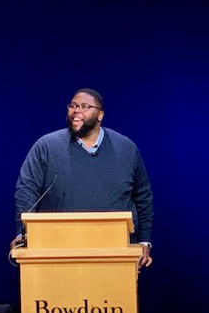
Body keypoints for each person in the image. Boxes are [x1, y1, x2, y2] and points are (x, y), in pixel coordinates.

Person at [11, 88, 154, 268]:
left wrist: (144, 241)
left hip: (116, 252)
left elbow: (143, 197)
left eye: (84, 106)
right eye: (73, 106)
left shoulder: (126, 148)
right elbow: (26, 191)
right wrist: (22, 235)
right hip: (57, 251)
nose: (76, 111)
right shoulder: (47, 147)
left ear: (100, 115)